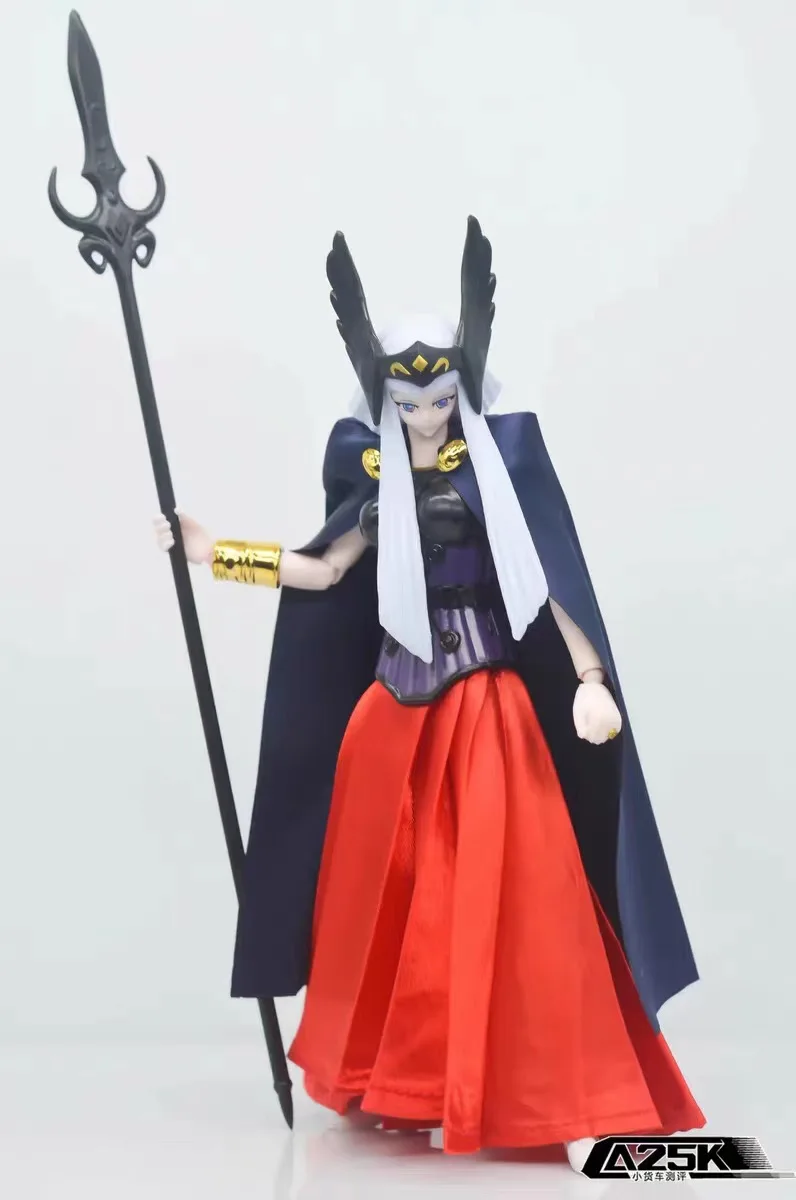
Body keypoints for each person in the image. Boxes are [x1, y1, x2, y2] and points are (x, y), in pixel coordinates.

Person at [153, 217, 704, 1173]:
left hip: (488, 712)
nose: (427, 416)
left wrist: (589, 680)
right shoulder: (378, 491)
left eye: (441, 399)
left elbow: (546, 587)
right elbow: (323, 570)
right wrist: (217, 555)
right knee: (396, 904)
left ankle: (528, 1083)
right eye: (409, 403)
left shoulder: (494, 479)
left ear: (462, 393)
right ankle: (409, 1075)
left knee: (513, 895)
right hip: (393, 718)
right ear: (386, 401)